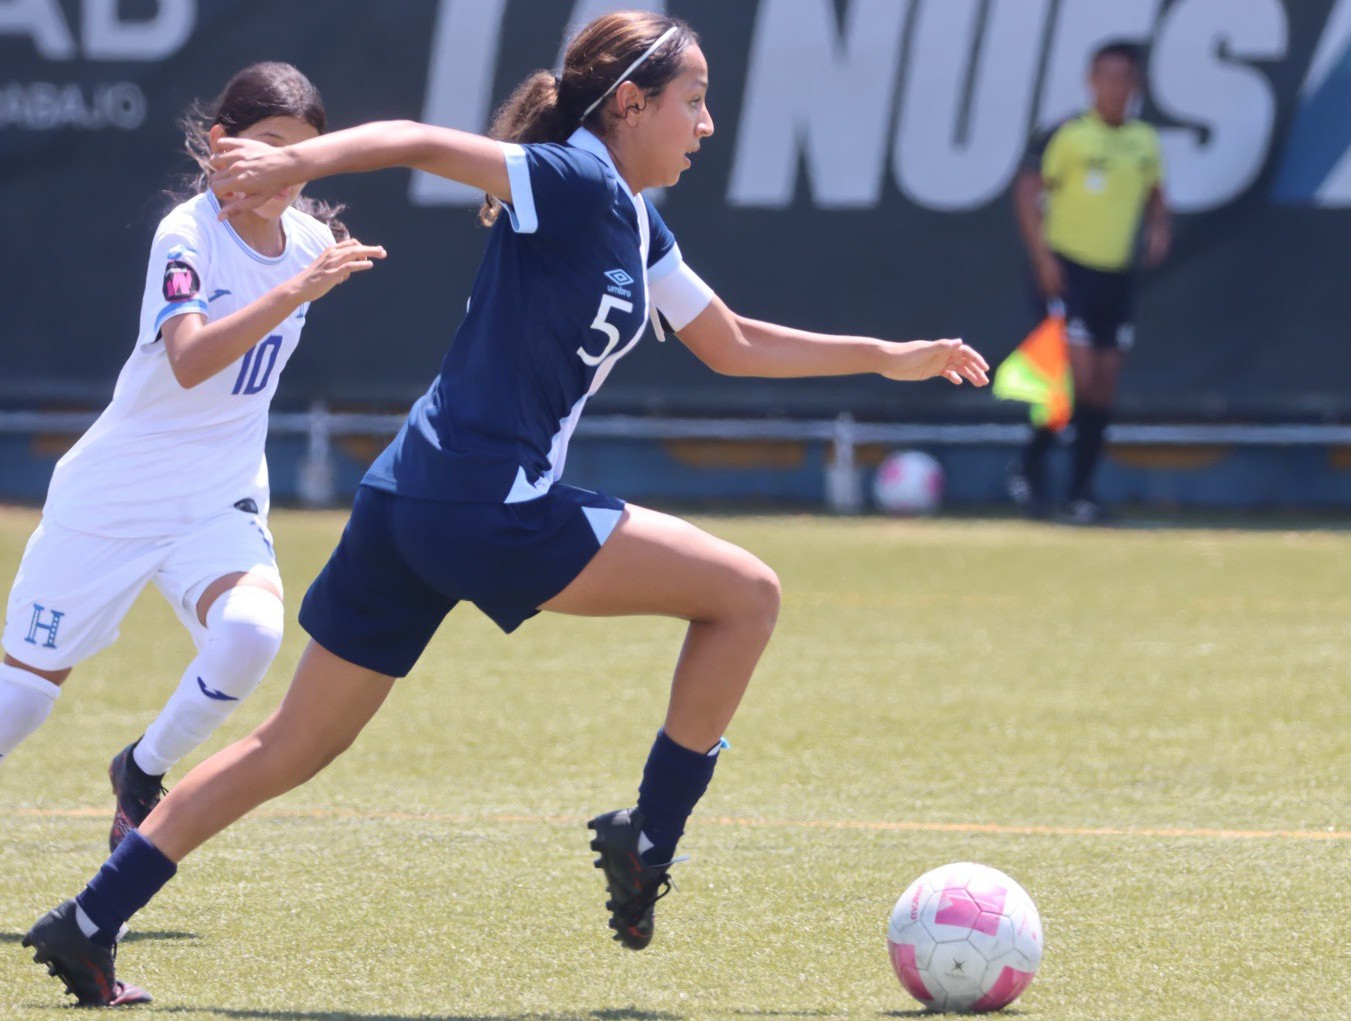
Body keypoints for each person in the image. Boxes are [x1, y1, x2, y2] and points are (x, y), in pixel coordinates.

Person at [22, 12, 989, 1006]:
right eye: (692, 101)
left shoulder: (632, 215)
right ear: (629, 104)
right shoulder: (571, 177)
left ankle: (89, 919)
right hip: (486, 504)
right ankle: (650, 832)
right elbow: (419, 140)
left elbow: (731, 339)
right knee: (746, 595)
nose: (705, 125)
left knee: (293, 745)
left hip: (409, 498)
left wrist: (885, 354)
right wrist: (298, 161)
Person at [0, 62, 384, 867]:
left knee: (249, 633)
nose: (286, 169)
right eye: (270, 147)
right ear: (221, 146)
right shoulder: (188, 231)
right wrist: (295, 291)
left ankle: (140, 771)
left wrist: (306, 274)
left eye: (303, 155)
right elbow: (189, 359)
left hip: (219, 497)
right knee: (21, 702)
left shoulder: (309, 241)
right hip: (116, 495)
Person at [1007, 40, 1171, 523]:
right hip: (1069, 271)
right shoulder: (1069, 135)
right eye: (1106, 77)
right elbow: (1027, 191)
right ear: (1090, 81)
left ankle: (1080, 492)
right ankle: (1031, 467)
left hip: (1116, 276)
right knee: (1074, 381)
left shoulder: (1143, 141)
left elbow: (1157, 197)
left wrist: (1160, 228)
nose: (1114, 88)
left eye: (1124, 79)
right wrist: (1043, 259)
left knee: (1104, 386)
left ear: (1136, 86)